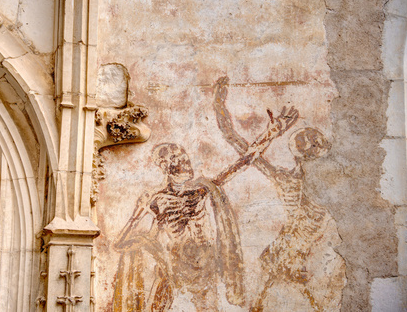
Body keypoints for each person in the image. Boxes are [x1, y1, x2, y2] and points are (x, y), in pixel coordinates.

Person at [112, 102, 298, 311]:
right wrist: (143, 230)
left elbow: (243, 162)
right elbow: (121, 242)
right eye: (177, 158)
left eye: (185, 156)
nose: (186, 160)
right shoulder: (155, 200)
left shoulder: (200, 190)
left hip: (204, 268)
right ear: (165, 166)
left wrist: (271, 134)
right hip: (173, 269)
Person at [212, 76, 345, 311]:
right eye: (313, 143)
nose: (317, 146)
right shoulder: (288, 181)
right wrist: (219, 106)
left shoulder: (329, 184)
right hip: (291, 252)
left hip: (303, 253)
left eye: (317, 141)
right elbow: (235, 142)